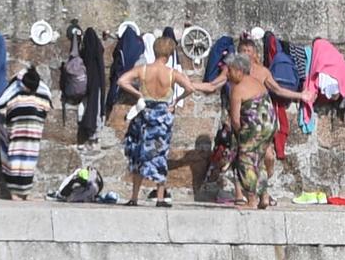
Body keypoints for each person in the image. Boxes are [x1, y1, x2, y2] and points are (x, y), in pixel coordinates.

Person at [114, 34, 221, 206]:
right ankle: (161, 197)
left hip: (145, 113)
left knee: (139, 153)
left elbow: (121, 81)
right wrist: (176, 101)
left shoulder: (143, 69)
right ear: (170, 54)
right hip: (162, 115)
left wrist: (138, 93)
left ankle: (134, 197)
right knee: (160, 154)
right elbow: (189, 88)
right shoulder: (172, 73)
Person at [224, 51, 308, 209]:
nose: (227, 74)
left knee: (246, 162)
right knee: (260, 162)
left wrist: (240, 137)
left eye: (229, 70)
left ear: (239, 70)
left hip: (254, 128)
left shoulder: (237, 89)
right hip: (269, 125)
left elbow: (235, 119)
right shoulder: (258, 83)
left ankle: (251, 200)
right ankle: (264, 197)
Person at [0, 65, 52, 200]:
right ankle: (14, 193)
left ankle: (26, 192)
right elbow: (1, 104)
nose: (30, 91)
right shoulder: (15, 86)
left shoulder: (40, 86)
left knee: (29, 162)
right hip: (16, 133)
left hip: (33, 133)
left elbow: (47, 101)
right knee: (14, 161)